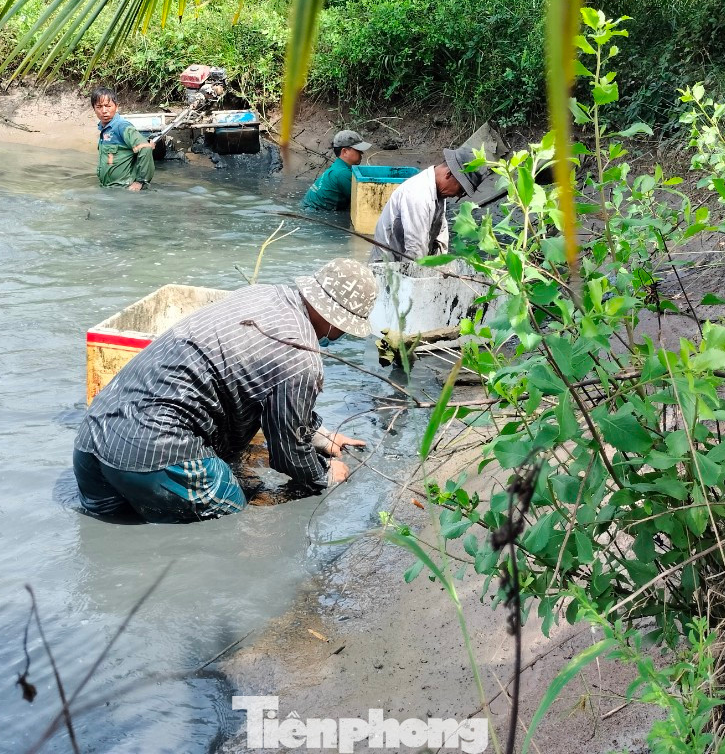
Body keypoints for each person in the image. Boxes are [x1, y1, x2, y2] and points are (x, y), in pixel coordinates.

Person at [73, 258, 379, 523]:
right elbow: (287, 454)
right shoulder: (301, 355)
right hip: (154, 454)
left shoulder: (260, 294)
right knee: (236, 519)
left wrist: (319, 435)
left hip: (92, 441)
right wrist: (324, 475)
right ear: (337, 319)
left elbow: (258, 384)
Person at [369, 144, 489, 262]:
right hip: (387, 268)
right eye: (461, 190)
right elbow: (415, 250)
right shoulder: (418, 194)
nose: (458, 195)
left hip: (406, 262)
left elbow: (441, 236)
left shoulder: (438, 192)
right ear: (449, 175)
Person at [92, 87, 155, 190]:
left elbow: (146, 147)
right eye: (99, 107)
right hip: (110, 190)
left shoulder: (122, 127)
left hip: (125, 190)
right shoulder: (104, 130)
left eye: (108, 106)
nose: (104, 111)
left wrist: (140, 181)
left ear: (116, 107)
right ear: (94, 109)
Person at [301, 129, 372, 211]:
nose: (361, 153)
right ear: (345, 152)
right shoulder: (343, 173)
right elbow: (365, 202)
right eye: (358, 150)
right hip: (315, 214)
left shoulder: (338, 167)